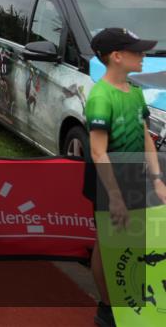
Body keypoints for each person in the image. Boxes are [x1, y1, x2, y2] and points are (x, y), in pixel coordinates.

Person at [83, 28, 166, 327]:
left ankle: (130, 300)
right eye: (137, 51)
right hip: (107, 181)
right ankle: (106, 308)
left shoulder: (134, 91)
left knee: (128, 240)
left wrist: (156, 178)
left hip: (133, 177)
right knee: (106, 242)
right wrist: (115, 197)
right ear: (117, 57)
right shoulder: (100, 96)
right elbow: (97, 151)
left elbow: (145, 137)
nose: (144, 55)